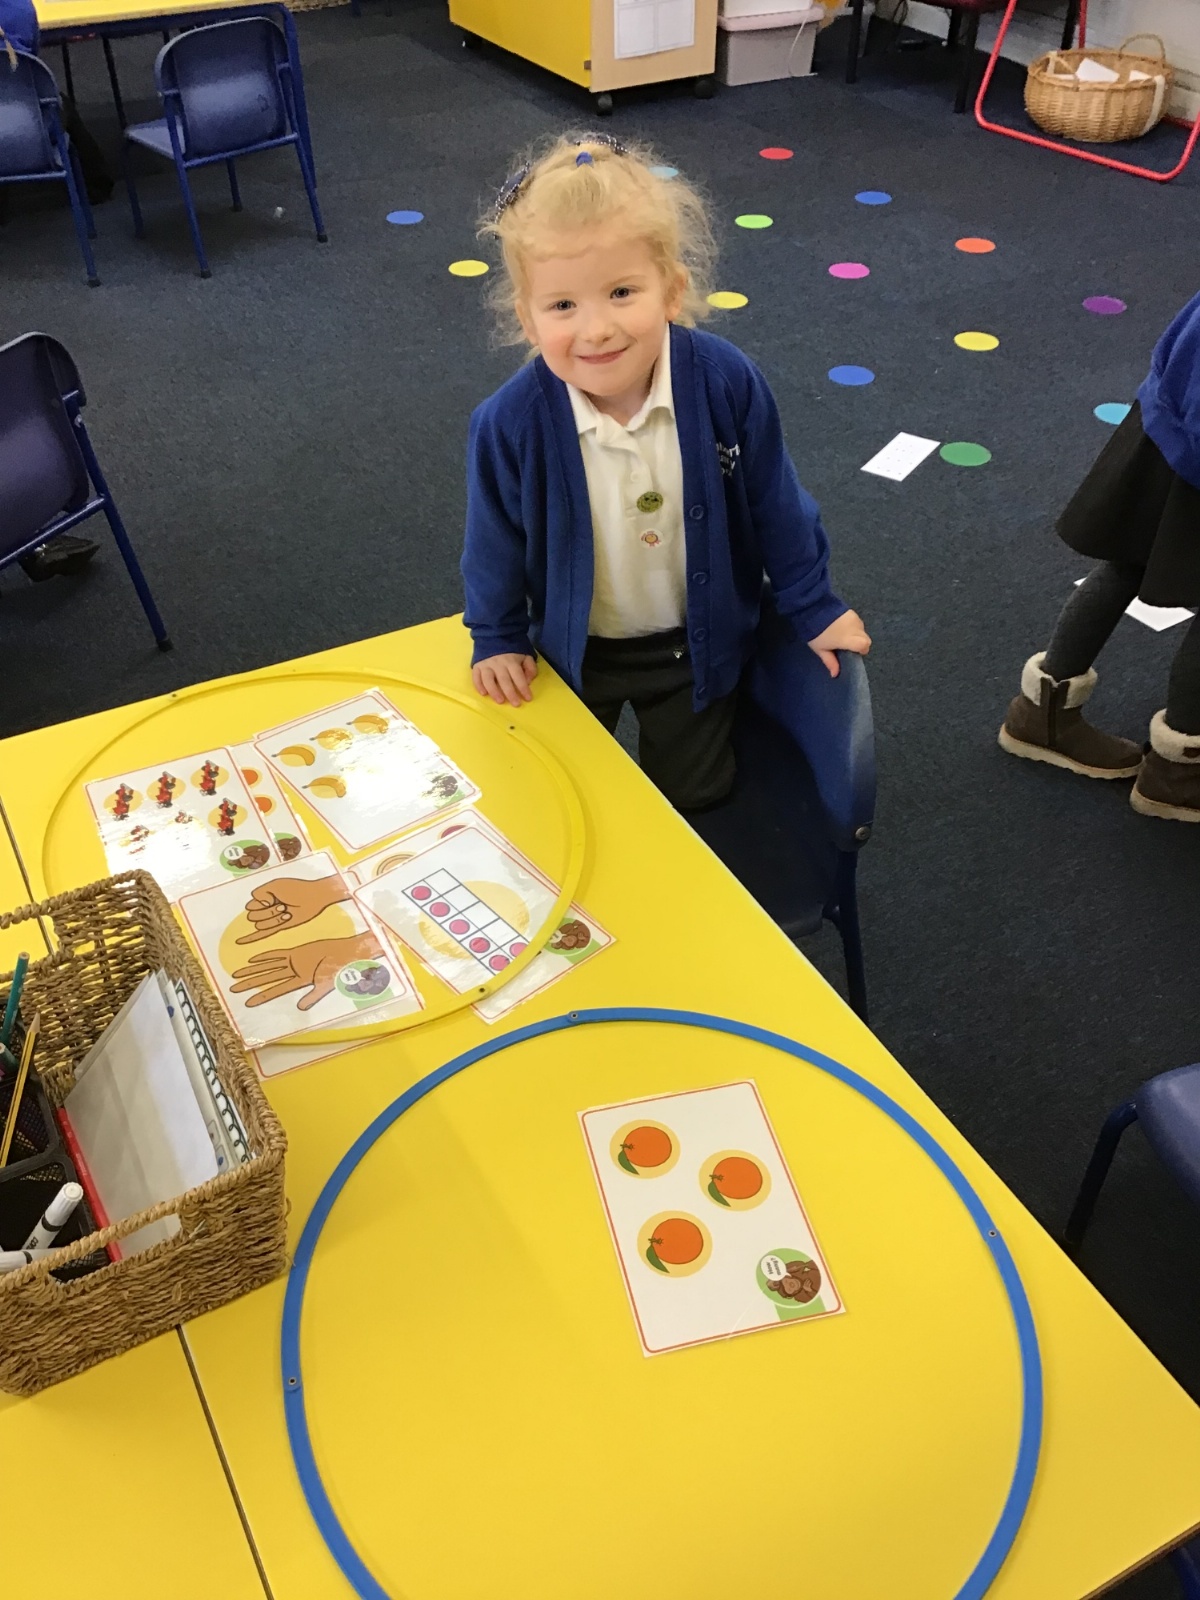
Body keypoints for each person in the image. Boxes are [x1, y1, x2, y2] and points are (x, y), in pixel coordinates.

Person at [460, 132, 869, 813]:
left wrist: (813, 605)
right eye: (562, 306)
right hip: (571, 652)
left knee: (695, 798)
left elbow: (776, 503)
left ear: (672, 291)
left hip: (693, 648)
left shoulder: (725, 382)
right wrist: (497, 635)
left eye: (622, 292)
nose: (596, 329)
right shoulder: (508, 423)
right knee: (562, 798)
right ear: (527, 320)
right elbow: (492, 541)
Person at [999, 289, 1200, 822]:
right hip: (1195, 459)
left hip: (1162, 433)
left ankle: (1042, 715)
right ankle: (1179, 773)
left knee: (1126, 563)